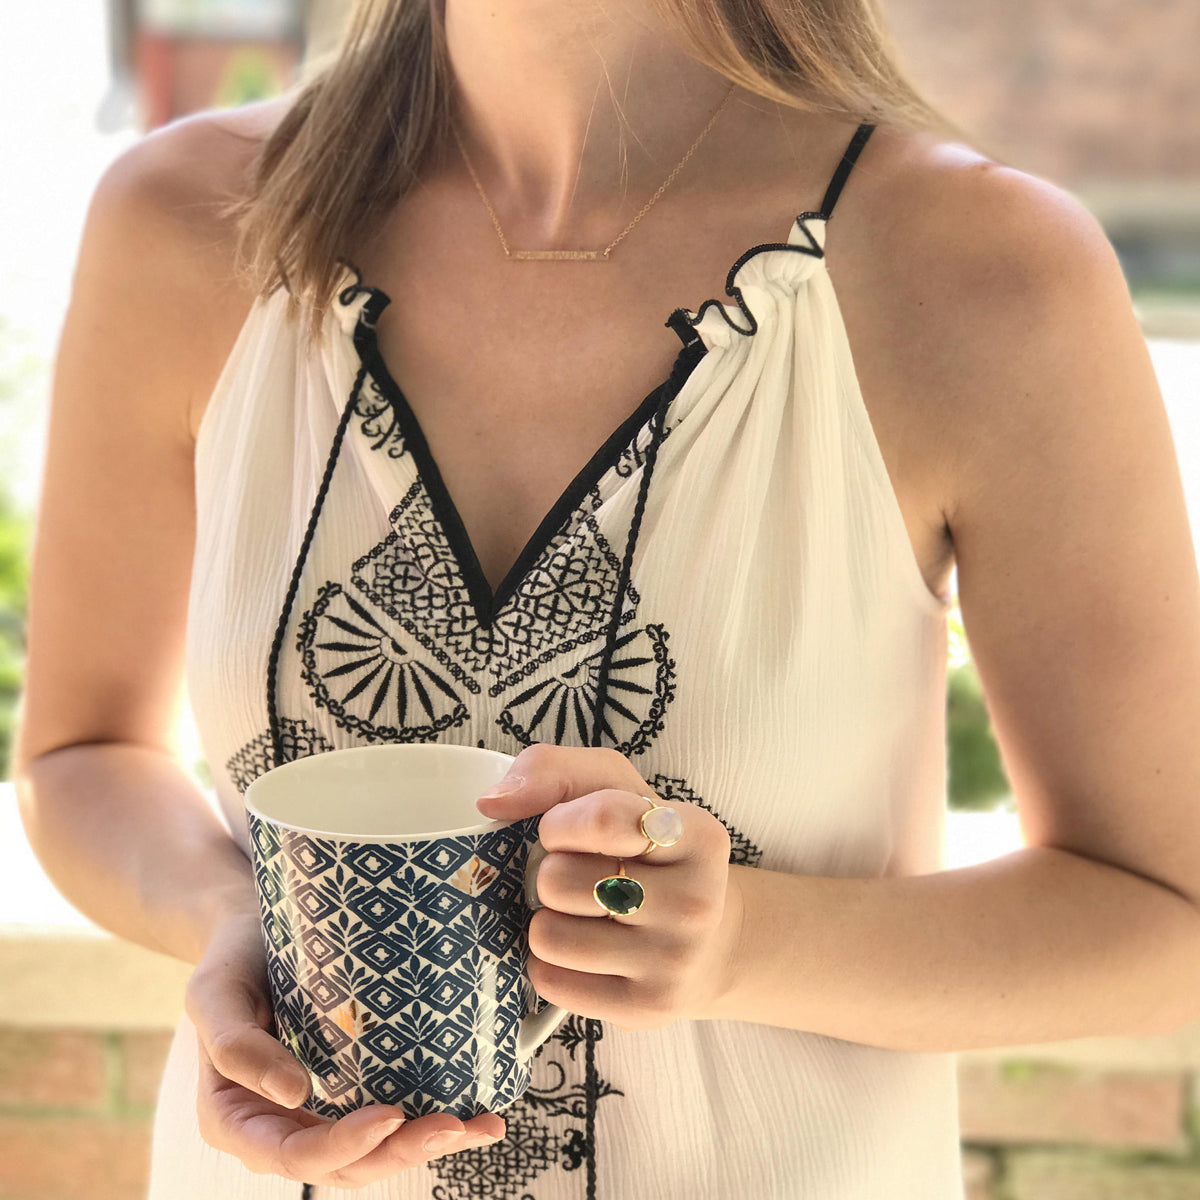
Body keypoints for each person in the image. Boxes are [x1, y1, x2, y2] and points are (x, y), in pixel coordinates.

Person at [14, 0, 1200, 1196]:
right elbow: (82, 753)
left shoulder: (982, 277)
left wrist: (741, 944)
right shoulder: (181, 224)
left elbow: (1168, 916)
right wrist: (238, 918)